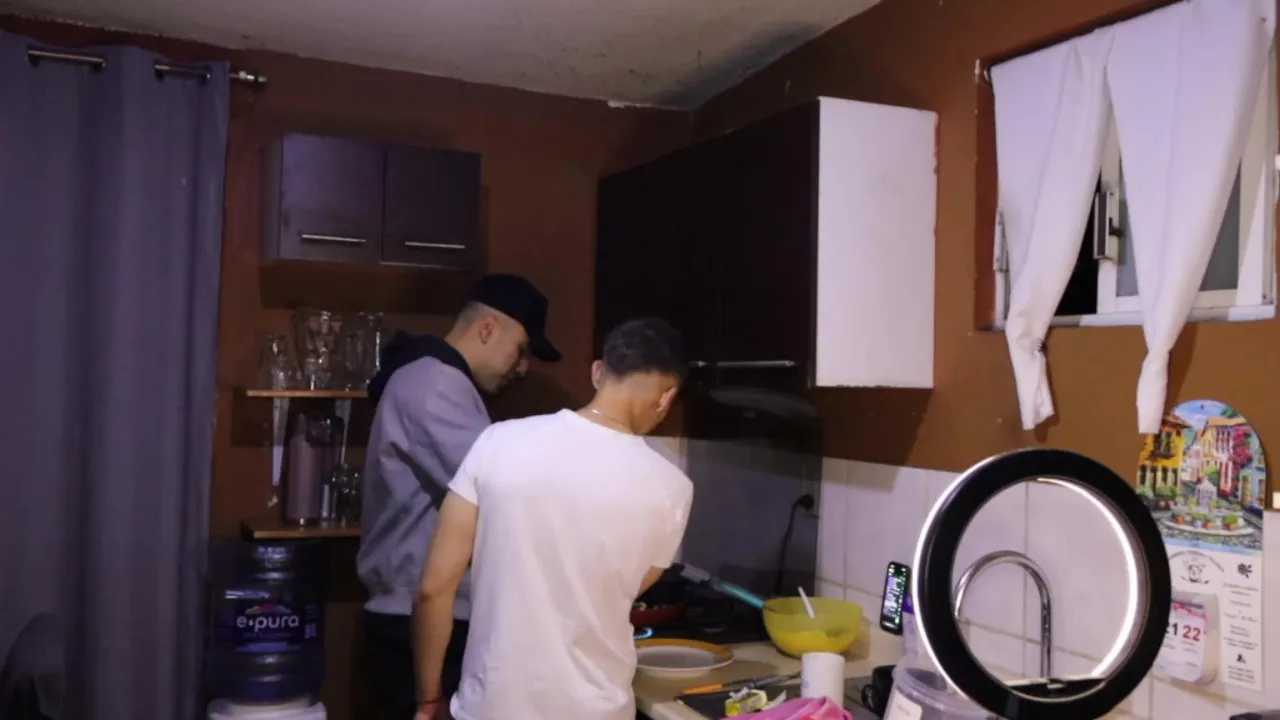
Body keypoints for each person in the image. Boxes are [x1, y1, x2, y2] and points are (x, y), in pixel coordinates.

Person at [413, 317, 695, 720]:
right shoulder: (672, 488)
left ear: (597, 372)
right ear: (667, 396)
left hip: (491, 708)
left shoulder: (498, 441)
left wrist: (429, 698)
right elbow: (627, 588)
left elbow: (434, 588)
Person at [357, 273, 561, 720]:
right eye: (521, 349)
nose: (522, 367)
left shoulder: (433, 378)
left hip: (414, 613)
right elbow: (500, 491)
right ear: (487, 329)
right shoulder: (436, 384)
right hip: (420, 619)